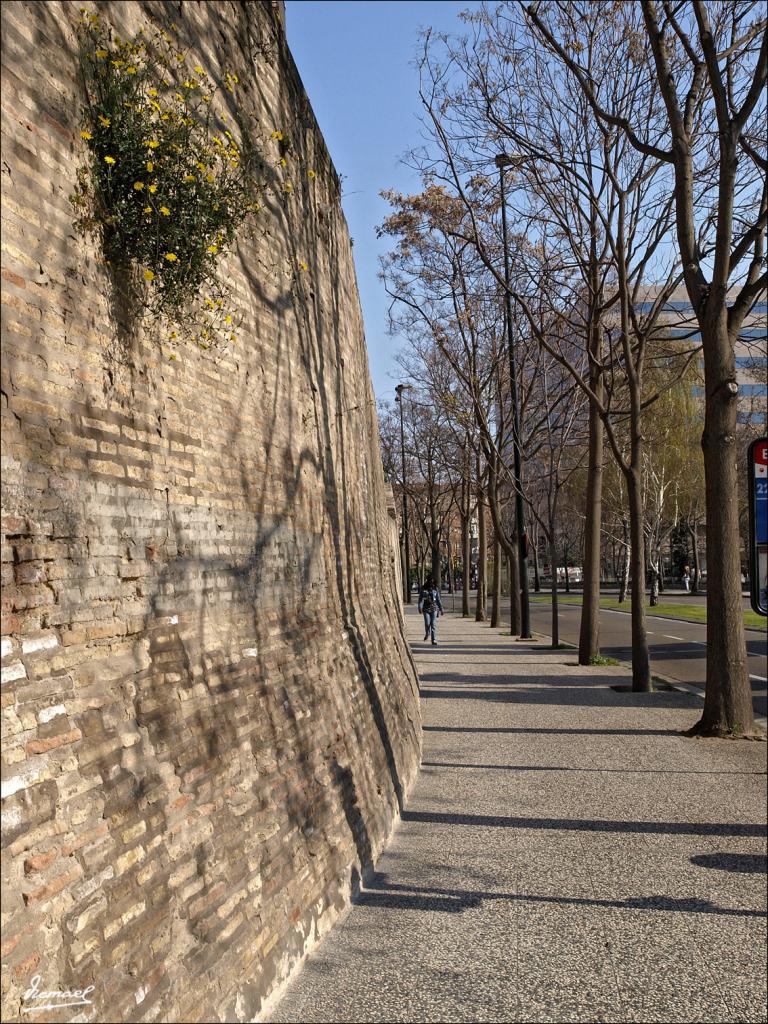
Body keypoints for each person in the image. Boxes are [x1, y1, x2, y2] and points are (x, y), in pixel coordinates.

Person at [418, 575, 443, 646]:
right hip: (426, 609)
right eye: (430, 581)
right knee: (427, 623)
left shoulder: (435, 589)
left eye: (432, 581)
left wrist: (441, 609)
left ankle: (434, 639)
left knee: (433, 624)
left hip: (434, 609)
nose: (431, 583)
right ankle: (427, 633)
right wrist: (420, 607)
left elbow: (438, 599)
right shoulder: (423, 588)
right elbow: (420, 599)